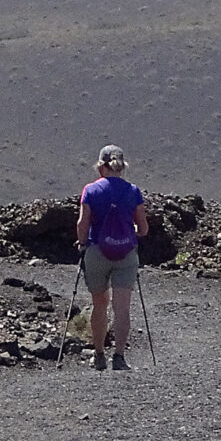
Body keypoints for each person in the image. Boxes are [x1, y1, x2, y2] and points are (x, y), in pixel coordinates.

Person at [75, 145, 149, 370]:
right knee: (122, 307)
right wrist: (133, 233)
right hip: (126, 254)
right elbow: (144, 228)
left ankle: (99, 355)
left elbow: (82, 223)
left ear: (101, 167)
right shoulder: (133, 191)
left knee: (99, 305)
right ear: (122, 167)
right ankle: (119, 357)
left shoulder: (90, 190)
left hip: (96, 252)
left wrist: (82, 244)